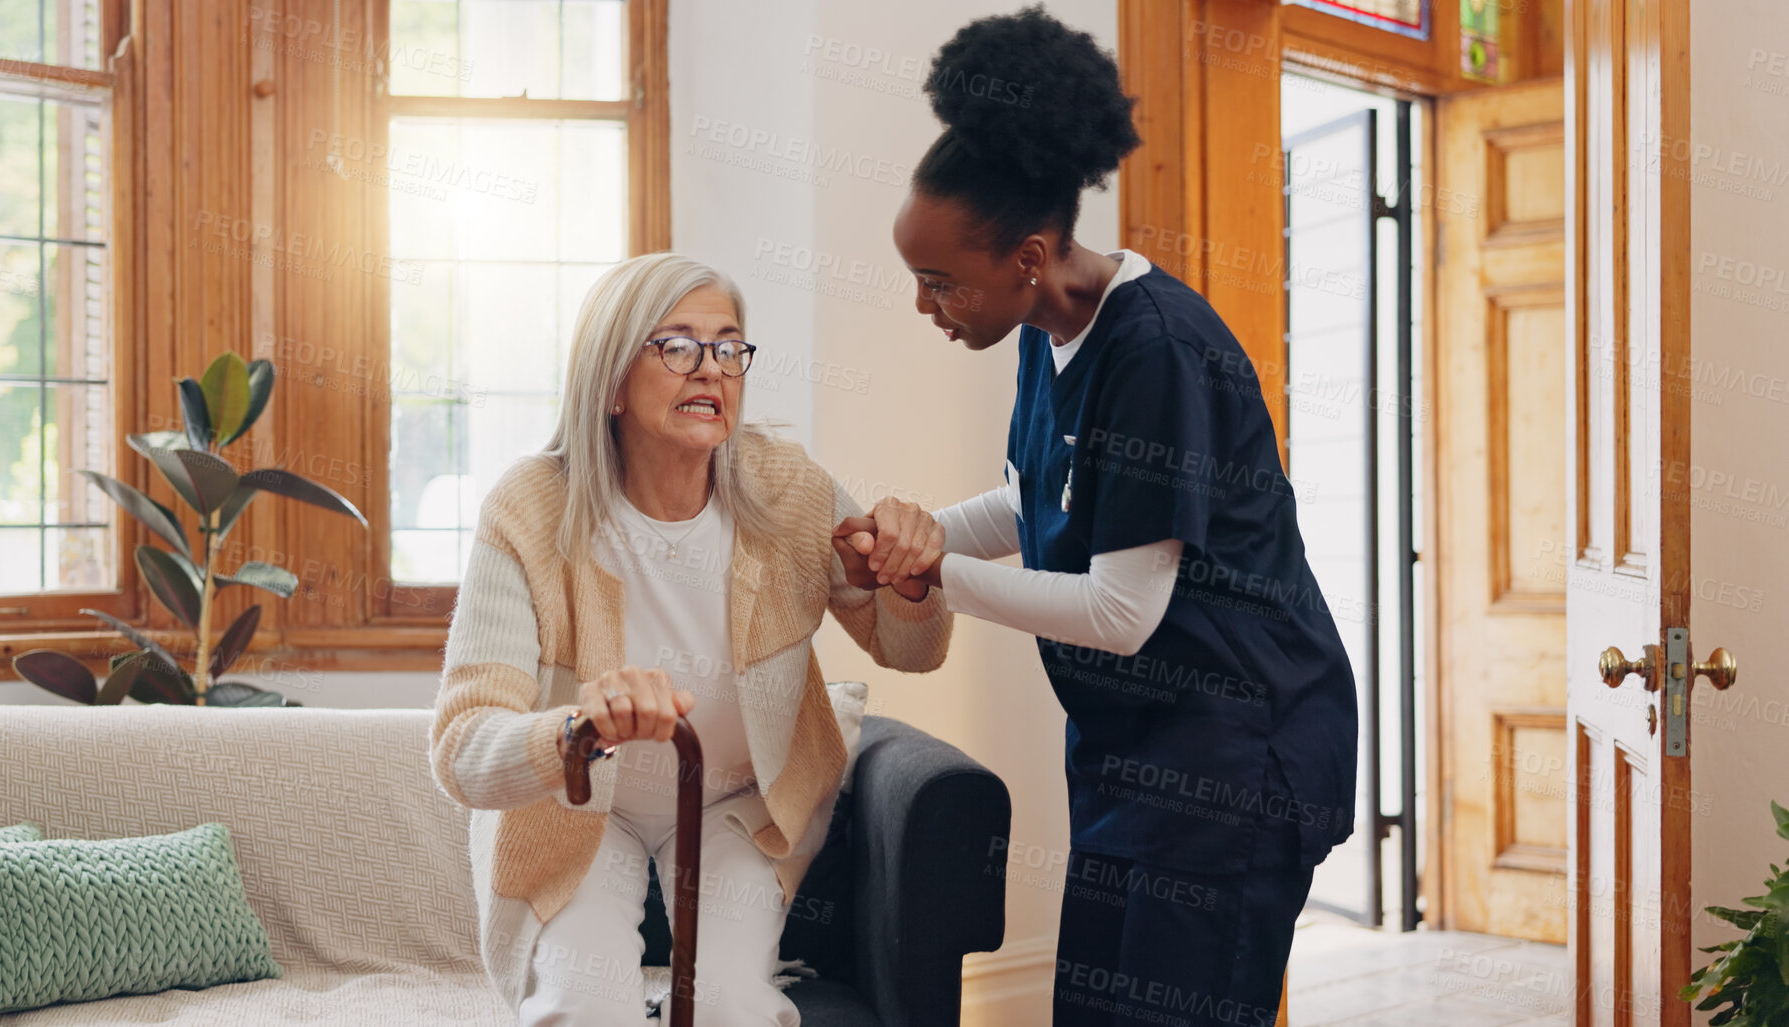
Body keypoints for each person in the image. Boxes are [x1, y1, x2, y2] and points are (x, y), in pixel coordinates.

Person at [832, 9, 1359, 1027]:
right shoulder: (1044, 328)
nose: (924, 305)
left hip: (1238, 750)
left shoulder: (1155, 349)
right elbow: (1033, 504)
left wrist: (933, 574)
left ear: (1027, 256)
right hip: (1135, 746)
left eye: (939, 282)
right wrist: (904, 536)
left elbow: (1124, 612)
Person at [428, 252, 953, 1026]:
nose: (709, 369)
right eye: (675, 346)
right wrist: (576, 727)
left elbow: (913, 649)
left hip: (738, 803)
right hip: (576, 811)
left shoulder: (788, 490)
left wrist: (909, 581)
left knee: (732, 1007)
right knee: (583, 1006)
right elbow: (461, 749)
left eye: (727, 347)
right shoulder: (530, 508)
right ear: (610, 381)